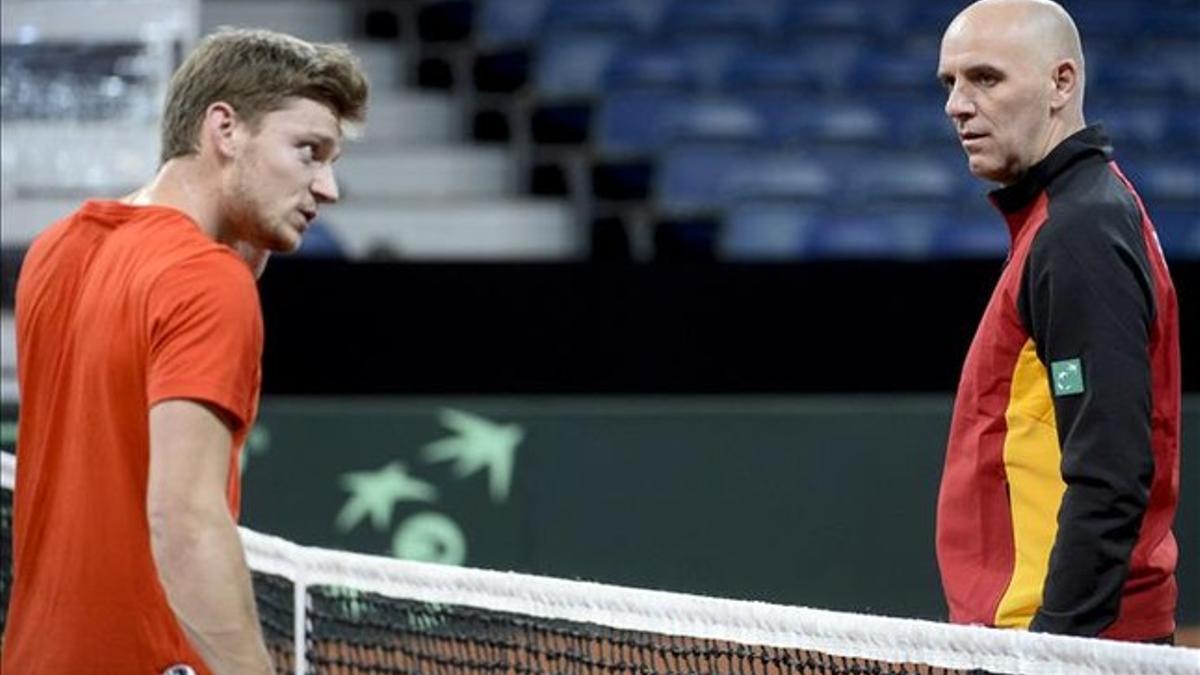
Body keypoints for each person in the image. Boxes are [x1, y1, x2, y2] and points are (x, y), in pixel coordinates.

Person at [4, 29, 368, 673]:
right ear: (225, 129)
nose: (328, 187)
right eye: (308, 152)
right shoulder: (205, 280)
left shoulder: (57, 249)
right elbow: (185, 520)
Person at [934, 0, 1180, 642]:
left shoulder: (1080, 232)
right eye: (950, 83)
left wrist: (1052, 649)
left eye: (985, 79)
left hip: (1068, 643)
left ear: (1060, 83)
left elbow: (1112, 471)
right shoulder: (1072, 215)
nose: (957, 105)